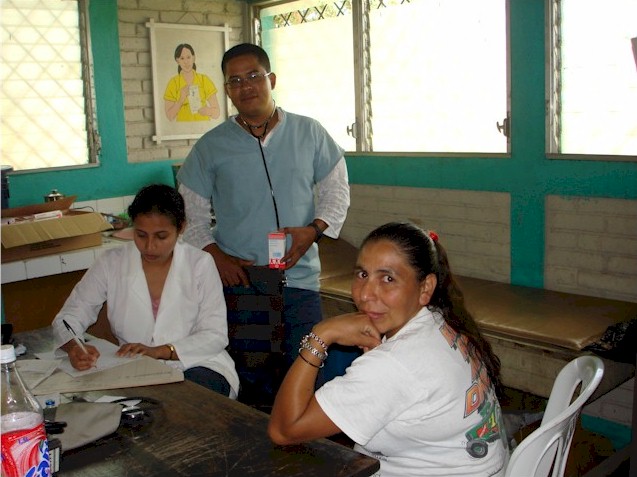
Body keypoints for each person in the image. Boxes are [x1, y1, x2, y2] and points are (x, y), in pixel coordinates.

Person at [176, 43, 353, 404]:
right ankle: (258, 451)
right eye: (235, 80)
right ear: (227, 90)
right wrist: (216, 256)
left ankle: (307, 456)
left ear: (271, 79)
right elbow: (188, 214)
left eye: (254, 76)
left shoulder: (309, 133)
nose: (246, 86)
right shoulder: (211, 147)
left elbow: (337, 190)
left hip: (300, 280)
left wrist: (314, 230)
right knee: (253, 380)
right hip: (244, 283)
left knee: (306, 375)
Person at [268, 222, 509, 477]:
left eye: (388, 278)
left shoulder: (394, 365)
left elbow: (283, 431)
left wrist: (321, 335)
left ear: (425, 287)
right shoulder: (441, 320)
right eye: (362, 274)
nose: (365, 295)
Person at [51, 184, 240, 398]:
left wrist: (160, 351)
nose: (150, 246)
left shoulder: (200, 264)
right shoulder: (112, 263)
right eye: (141, 235)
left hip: (198, 363)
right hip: (134, 369)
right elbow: (69, 316)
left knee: (183, 400)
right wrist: (74, 346)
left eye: (161, 236)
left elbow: (214, 335)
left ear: (181, 228)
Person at [164, 43, 220, 122]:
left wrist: (208, 111)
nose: (186, 62)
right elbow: (169, 116)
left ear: (193, 58)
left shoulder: (204, 80)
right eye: (182, 58)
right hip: (182, 129)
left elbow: (217, 113)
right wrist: (181, 99)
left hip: (203, 126)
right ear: (177, 61)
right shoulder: (173, 83)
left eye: (188, 57)